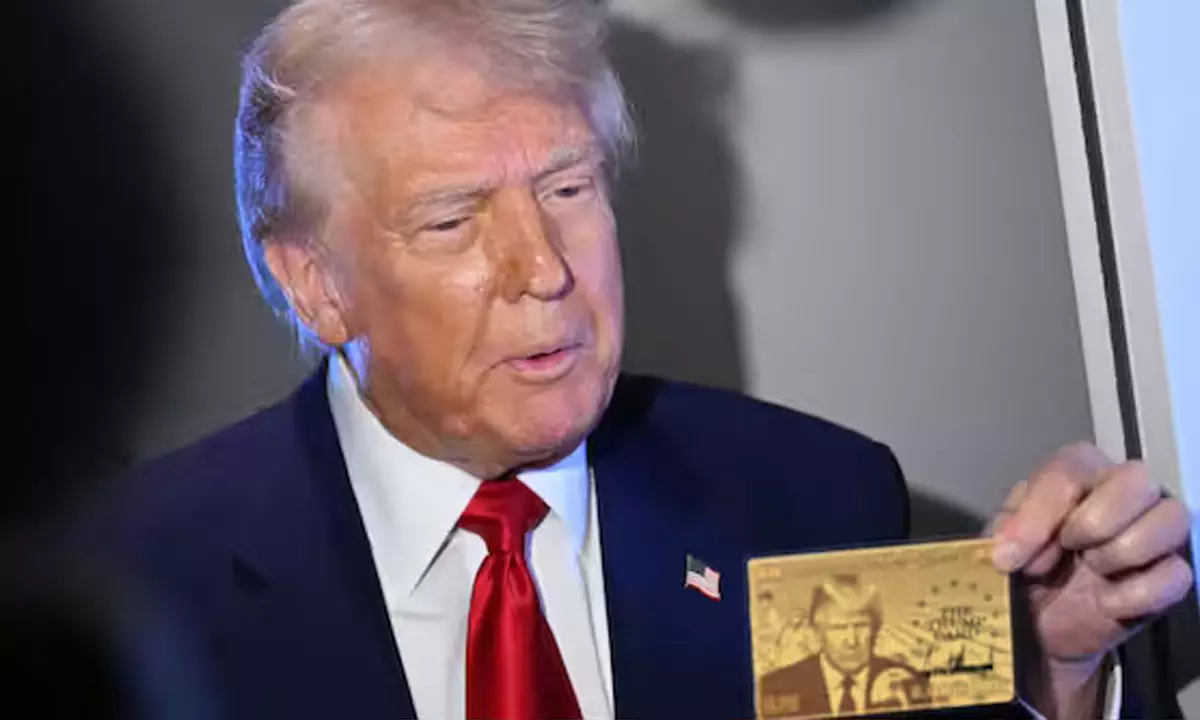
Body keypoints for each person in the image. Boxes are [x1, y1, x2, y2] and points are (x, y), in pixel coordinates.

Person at [103, 1, 1193, 718]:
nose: (544, 269)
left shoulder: (805, 507)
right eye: (451, 219)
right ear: (314, 283)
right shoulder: (132, 586)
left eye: (568, 187)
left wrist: (1052, 668)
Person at [758, 575, 929, 717]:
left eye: (861, 625)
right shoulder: (775, 687)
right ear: (817, 632)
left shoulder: (908, 680)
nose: (852, 641)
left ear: (876, 630)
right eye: (838, 628)